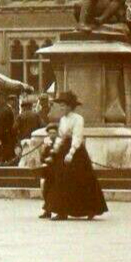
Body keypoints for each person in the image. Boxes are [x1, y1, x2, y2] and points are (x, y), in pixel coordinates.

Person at [41, 91, 108, 220]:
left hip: (76, 152)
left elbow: (77, 137)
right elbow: (60, 137)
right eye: (60, 105)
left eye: (63, 105)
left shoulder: (78, 119)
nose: (61, 107)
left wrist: (71, 153)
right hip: (64, 149)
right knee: (60, 178)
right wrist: (53, 152)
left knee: (81, 179)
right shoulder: (62, 120)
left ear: (70, 106)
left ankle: (90, 209)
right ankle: (61, 210)